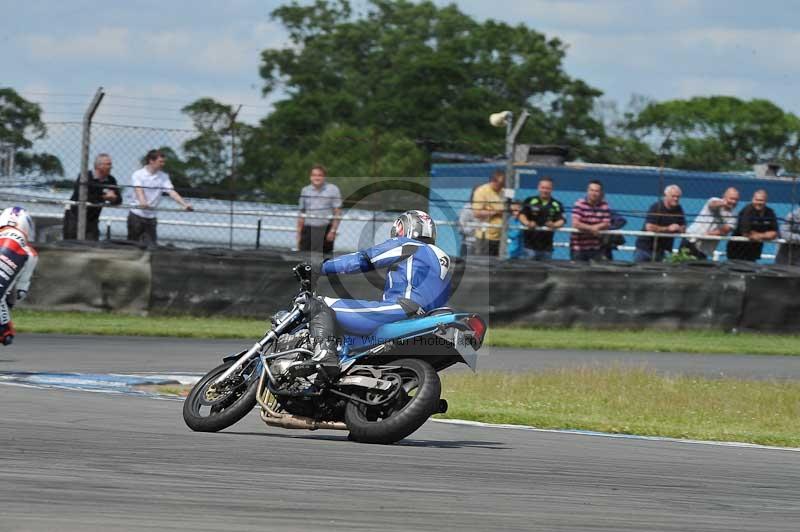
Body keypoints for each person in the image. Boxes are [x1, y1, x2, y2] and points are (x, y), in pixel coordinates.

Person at [293, 210, 451, 379]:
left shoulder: (407, 244)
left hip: (399, 311)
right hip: (424, 320)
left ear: (404, 227)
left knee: (319, 304)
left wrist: (319, 268)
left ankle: (324, 354)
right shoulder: (444, 258)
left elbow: (364, 259)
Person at [127, 150, 193, 246]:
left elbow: (171, 192)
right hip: (136, 215)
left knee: (152, 246)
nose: (163, 164)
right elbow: (138, 189)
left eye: (163, 161)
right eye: (160, 161)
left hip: (151, 217)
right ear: (151, 161)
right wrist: (142, 202)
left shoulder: (163, 176)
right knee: (132, 245)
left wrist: (185, 204)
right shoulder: (138, 174)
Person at [0, 207, 38, 346]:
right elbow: (24, 280)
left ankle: (5, 331)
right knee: (3, 298)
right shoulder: (29, 251)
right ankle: (5, 332)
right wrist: (23, 288)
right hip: (5, 288)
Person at [62, 153, 122, 240]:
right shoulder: (85, 176)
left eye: (110, 164)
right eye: (108, 164)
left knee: (91, 245)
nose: (111, 167)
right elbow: (83, 197)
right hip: (74, 217)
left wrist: (114, 198)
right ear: (98, 166)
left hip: (92, 220)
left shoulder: (111, 180)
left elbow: (119, 200)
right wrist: (105, 197)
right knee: (70, 244)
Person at [680, 188, 740, 260]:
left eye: (736, 200)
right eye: (731, 199)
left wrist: (707, 234)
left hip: (704, 248)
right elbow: (712, 205)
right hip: (690, 239)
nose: (733, 202)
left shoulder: (734, 215)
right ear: (724, 197)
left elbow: (725, 230)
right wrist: (723, 203)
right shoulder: (713, 200)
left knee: (698, 269)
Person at [297, 165, 342, 256]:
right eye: (314, 175)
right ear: (310, 177)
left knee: (324, 260)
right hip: (308, 230)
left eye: (319, 175)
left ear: (324, 177)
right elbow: (301, 213)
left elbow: (338, 212)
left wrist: (333, 231)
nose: (316, 177)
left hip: (325, 229)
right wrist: (298, 233)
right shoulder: (305, 190)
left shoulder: (333, 189)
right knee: (304, 259)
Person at [634, 185, 686, 262]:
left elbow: (683, 227)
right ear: (666, 196)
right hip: (646, 248)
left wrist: (678, 228)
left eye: (678, 197)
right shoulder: (656, 207)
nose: (676, 199)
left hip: (662, 249)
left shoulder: (679, 209)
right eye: (673, 196)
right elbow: (649, 227)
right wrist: (668, 229)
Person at [520, 177, 565, 261]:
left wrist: (554, 225)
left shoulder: (556, 204)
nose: (545, 190)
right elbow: (522, 215)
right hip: (530, 246)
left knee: (545, 272)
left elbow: (562, 220)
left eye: (548, 188)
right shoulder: (530, 200)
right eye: (543, 188)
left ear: (552, 189)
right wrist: (528, 223)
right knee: (527, 272)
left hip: (547, 248)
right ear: (538, 187)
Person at [726, 189, 777, 262]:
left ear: (765, 201)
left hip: (754, 251)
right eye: (757, 200)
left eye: (761, 200)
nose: (759, 203)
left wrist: (758, 235)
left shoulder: (770, 212)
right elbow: (746, 233)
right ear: (752, 199)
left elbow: (774, 233)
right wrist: (765, 235)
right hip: (737, 250)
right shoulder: (747, 211)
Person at [570, 180, 611, 261]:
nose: (594, 193)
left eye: (596, 191)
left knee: (595, 273)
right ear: (587, 191)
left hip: (596, 248)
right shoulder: (579, 204)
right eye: (591, 190)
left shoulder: (604, 206)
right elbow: (575, 223)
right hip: (578, 248)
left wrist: (596, 227)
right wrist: (592, 228)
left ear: (600, 193)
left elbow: (607, 223)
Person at [471, 170, 505, 256]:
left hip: (502, 236)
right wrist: (497, 211)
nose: (502, 186)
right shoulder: (481, 191)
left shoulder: (504, 191)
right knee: (483, 264)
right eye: (500, 184)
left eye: (503, 184)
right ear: (493, 181)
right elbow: (477, 213)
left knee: (497, 265)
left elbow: (510, 206)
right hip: (486, 236)